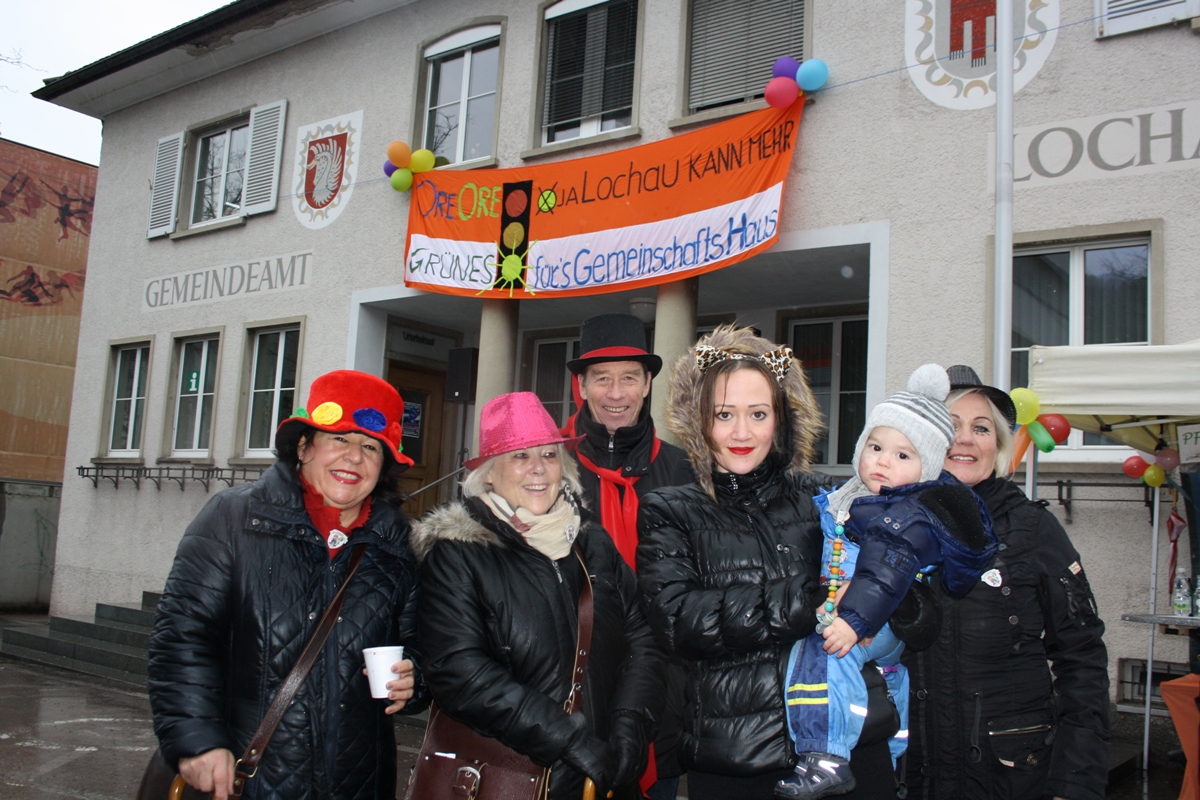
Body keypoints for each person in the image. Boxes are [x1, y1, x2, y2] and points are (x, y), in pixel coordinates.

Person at [637, 325, 909, 800]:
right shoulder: (670, 509)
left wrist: (901, 604)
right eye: (724, 414)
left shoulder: (829, 498)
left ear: (781, 419)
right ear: (699, 420)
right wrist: (809, 602)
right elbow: (679, 621)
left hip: (849, 749)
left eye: (758, 414)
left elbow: (901, 579)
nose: (741, 433)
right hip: (739, 757)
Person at [148, 370, 427, 800]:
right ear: (303, 446)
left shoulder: (397, 545)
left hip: (358, 784)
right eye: (339, 439)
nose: (354, 457)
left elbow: (423, 649)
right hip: (247, 779)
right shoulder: (234, 519)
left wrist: (415, 680)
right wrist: (198, 740)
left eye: (371, 447)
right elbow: (183, 637)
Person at [410, 391, 664, 800]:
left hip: (601, 776)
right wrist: (569, 740)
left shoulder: (593, 543)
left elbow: (642, 639)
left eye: (549, 455)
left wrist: (631, 725)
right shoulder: (457, 554)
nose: (538, 469)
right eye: (519, 456)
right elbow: (458, 671)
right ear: (488, 475)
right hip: (506, 779)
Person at [778, 365, 997, 798]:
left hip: (869, 616)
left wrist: (853, 621)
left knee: (819, 655)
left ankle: (824, 755)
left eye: (902, 456)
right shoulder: (857, 498)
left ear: (926, 468)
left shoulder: (902, 516)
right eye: (876, 446)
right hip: (873, 619)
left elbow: (884, 572)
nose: (882, 461)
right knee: (888, 676)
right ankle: (895, 746)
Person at [902, 365, 1110, 800]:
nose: (965, 439)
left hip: (1013, 776)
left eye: (981, 428)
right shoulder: (886, 526)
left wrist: (1075, 781)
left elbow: (1082, 657)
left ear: (996, 445)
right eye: (951, 424)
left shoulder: (1032, 529)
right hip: (909, 773)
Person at [566, 312, 694, 798]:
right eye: (602, 378)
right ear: (582, 386)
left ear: (647, 385)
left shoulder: (684, 471)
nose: (615, 393)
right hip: (571, 691)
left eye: (629, 378)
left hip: (663, 691)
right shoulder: (548, 469)